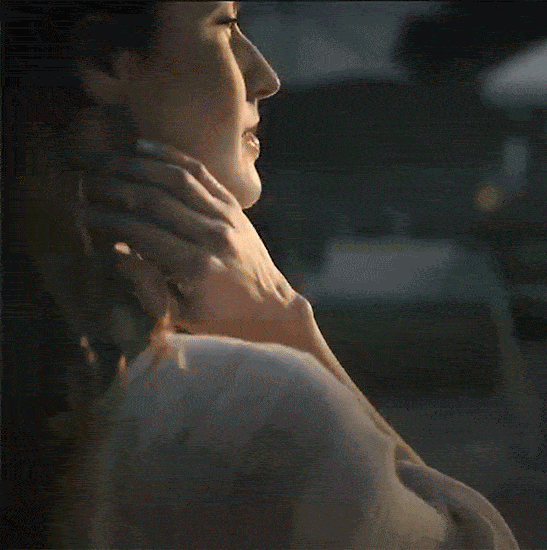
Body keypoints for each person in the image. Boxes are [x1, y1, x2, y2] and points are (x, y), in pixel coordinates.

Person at [3, 2, 520, 548]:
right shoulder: (256, 415)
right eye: (225, 25)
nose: (267, 78)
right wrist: (289, 331)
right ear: (104, 61)